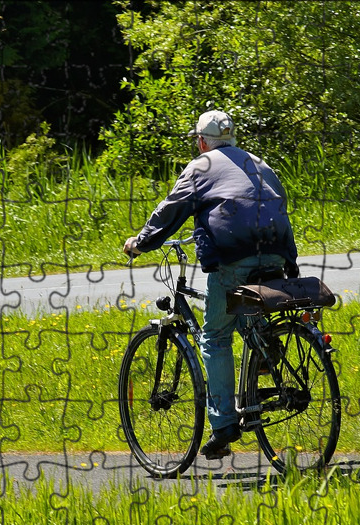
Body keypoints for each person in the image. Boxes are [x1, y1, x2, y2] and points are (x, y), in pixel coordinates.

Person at [123, 109, 299, 459]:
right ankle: (266, 347)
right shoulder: (259, 162)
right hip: (279, 250)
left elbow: (171, 210)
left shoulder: (200, 166)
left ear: (201, 142)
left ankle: (223, 425)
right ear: (232, 138)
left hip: (236, 254)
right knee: (249, 307)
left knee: (216, 337)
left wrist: (141, 243)